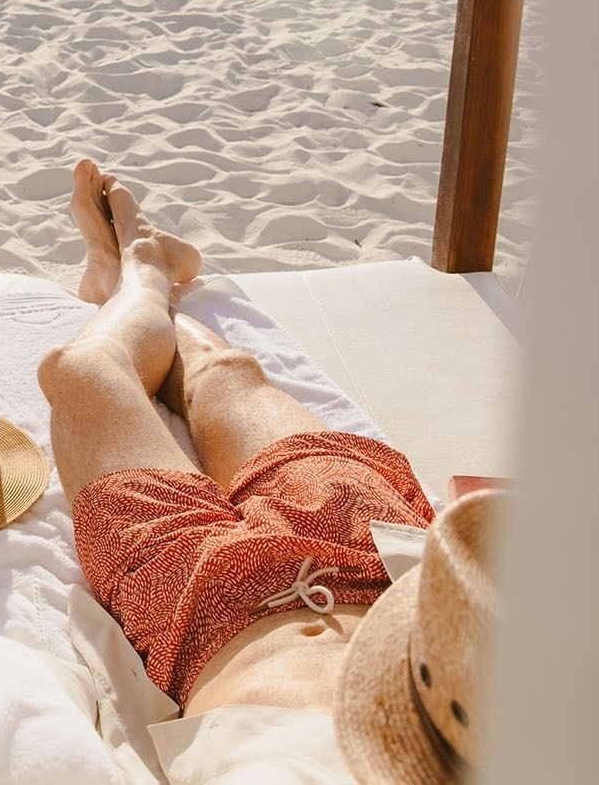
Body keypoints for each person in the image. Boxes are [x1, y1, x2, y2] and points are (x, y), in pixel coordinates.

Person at [41, 159, 444, 783]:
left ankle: (137, 277)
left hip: (200, 616)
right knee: (222, 377)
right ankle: (139, 273)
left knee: (81, 373)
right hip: (380, 567)